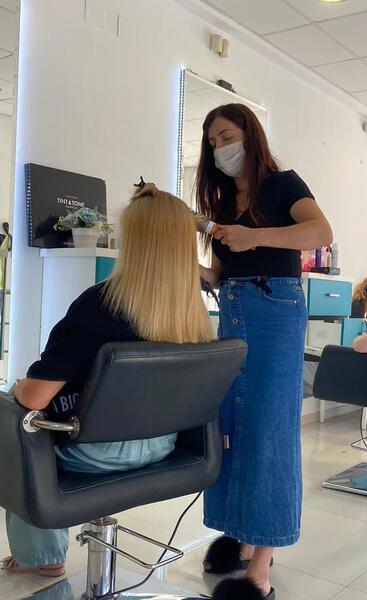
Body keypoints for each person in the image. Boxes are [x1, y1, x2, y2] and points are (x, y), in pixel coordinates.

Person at [2, 183, 214, 577]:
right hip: (163, 446)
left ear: (134, 243)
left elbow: (34, 399)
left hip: (96, 453)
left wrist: (16, 389)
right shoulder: (192, 315)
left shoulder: (99, 304)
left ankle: (42, 556)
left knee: (12, 421)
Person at [195, 103, 332, 599]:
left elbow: (320, 233)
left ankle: (261, 564)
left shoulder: (283, 184)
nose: (220, 148)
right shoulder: (221, 204)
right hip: (233, 310)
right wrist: (187, 267)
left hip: (276, 310)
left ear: (250, 136)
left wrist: (256, 237)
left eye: (226, 136)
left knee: (270, 430)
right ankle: (240, 536)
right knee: (232, 426)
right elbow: (219, 274)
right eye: (213, 142)